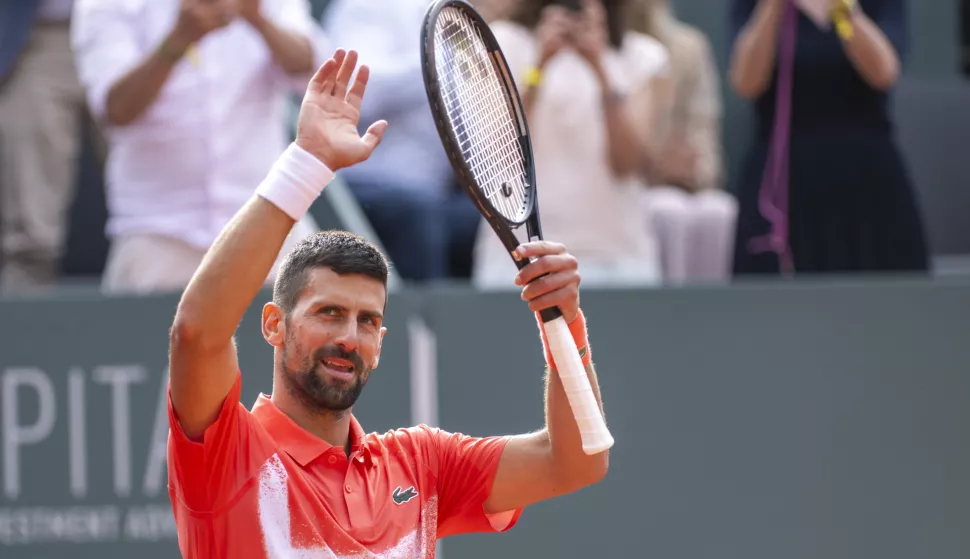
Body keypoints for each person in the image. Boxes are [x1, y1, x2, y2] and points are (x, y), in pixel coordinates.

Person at [166, 49, 609, 558]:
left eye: (368, 321)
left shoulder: (420, 463)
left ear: (380, 342)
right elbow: (196, 333)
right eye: (327, 312)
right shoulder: (228, 453)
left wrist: (564, 320)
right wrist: (305, 164)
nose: (348, 338)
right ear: (274, 324)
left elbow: (576, 461)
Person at [71, 0, 328, 293]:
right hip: (158, 231)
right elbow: (116, 109)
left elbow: (311, 68)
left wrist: (257, 19)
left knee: (299, 333)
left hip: (271, 221)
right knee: (143, 339)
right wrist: (178, 40)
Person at [471, 0, 667, 289]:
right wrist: (539, 64)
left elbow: (629, 163)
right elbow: (499, 153)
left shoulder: (644, 55)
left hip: (617, 258)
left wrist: (600, 68)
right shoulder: (502, 42)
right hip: (521, 258)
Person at [728, 0, 929, 275]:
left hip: (865, 173)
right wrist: (771, 8)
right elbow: (746, 82)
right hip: (782, 172)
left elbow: (883, 72)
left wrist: (841, 10)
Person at [321, 0, 481, 282]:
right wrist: (438, 60)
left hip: (438, 195)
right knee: (416, 211)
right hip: (358, 185)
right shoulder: (368, 6)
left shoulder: (461, 14)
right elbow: (359, 93)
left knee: (486, 222)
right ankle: (422, 326)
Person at [629, 0, 739, 284]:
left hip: (681, 186)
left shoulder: (688, 47)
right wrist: (651, 163)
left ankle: (706, 316)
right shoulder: (606, 47)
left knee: (718, 210)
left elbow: (704, 139)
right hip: (628, 187)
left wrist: (693, 167)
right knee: (666, 211)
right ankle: (669, 315)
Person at [0, 0, 91, 292]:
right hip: (39, 34)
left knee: (165, 217)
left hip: (146, 32)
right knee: (30, 233)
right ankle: (22, 327)